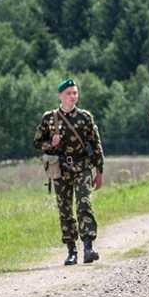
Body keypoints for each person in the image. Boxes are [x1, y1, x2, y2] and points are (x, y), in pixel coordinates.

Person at [34, 78, 105, 265]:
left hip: (82, 167)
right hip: (61, 169)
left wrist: (99, 171)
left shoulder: (85, 117)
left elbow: (96, 145)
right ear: (60, 96)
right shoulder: (49, 118)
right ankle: (71, 250)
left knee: (84, 204)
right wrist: (51, 143)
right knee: (65, 210)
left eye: (75, 93)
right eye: (69, 93)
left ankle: (88, 247)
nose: (73, 97)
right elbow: (37, 143)